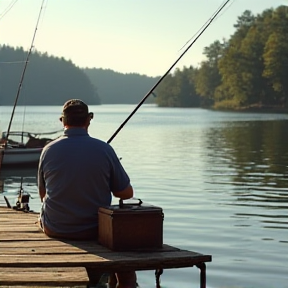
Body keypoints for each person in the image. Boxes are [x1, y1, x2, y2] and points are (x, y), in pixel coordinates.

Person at [38, 99, 137, 288]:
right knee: (127, 271)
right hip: (95, 230)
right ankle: (120, 282)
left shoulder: (47, 150)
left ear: (62, 121)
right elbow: (125, 193)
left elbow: (43, 195)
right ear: (88, 120)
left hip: (56, 228)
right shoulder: (104, 149)